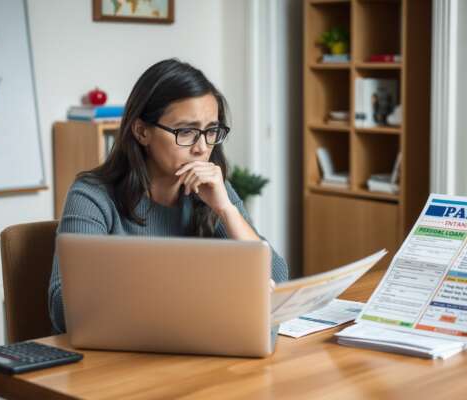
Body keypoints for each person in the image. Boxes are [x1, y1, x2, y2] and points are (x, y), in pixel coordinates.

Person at [48, 59, 289, 333]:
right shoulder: (92, 196)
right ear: (141, 131)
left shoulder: (214, 193)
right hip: (117, 362)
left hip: (190, 350)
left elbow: (277, 281)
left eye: (211, 130)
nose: (201, 148)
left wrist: (226, 210)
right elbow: (64, 309)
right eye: (186, 131)